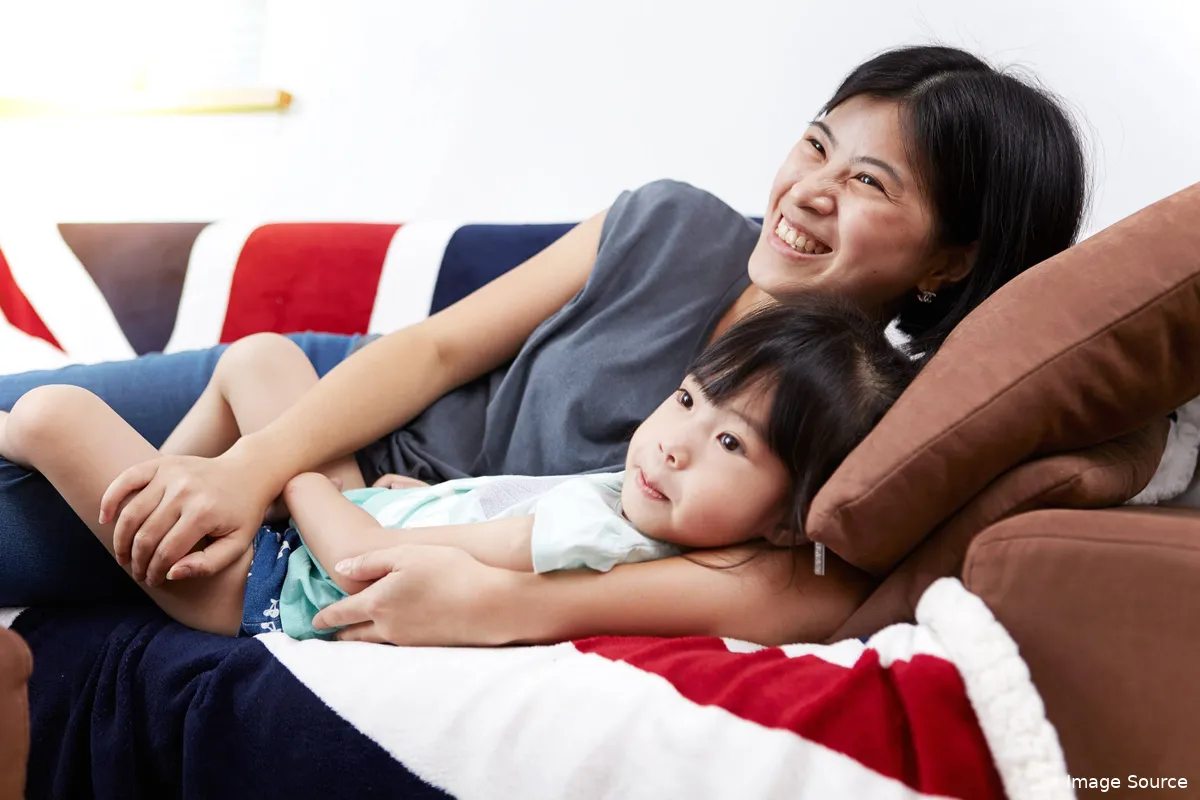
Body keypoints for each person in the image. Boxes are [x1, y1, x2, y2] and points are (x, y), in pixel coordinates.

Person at [0, 44, 1087, 646]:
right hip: (328, 400)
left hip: (370, 525)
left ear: (950, 260)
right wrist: (249, 467)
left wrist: (514, 604)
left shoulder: (846, 419)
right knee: (25, 408)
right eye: (815, 145)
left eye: (868, 182)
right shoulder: (670, 222)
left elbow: (796, 593)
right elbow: (433, 350)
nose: (808, 190)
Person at [0, 295, 915, 640]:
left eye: (731, 444)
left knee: (52, 414)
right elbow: (486, 519)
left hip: (271, 583)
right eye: (685, 400)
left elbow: (358, 561)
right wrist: (432, 501)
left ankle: (162, 511)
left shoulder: (601, 535)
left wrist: (281, 476)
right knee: (261, 358)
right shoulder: (633, 506)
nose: (676, 440)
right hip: (348, 523)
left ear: (789, 518)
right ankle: (161, 498)